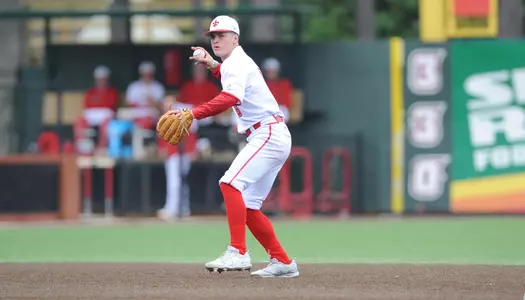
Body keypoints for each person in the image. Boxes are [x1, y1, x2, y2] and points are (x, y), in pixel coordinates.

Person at [171, 15, 299, 278]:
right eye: (213, 37)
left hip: (267, 133)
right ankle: (283, 262)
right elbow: (231, 79)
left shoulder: (236, 63)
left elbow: (230, 97)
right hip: (271, 133)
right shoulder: (234, 63)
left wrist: (193, 114)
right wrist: (211, 65)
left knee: (229, 184)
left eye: (222, 35)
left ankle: (238, 251)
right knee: (249, 206)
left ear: (235, 38)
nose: (216, 40)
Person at [157, 94, 197, 221]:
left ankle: (173, 209)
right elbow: (162, 138)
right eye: (165, 103)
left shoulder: (182, 116)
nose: (167, 106)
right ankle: (181, 208)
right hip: (171, 154)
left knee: (177, 182)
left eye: (170, 103)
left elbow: (191, 134)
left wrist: (192, 150)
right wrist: (162, 149)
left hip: (182, 154)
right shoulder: (164, 118)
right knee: (177, 182)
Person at [261, 57, 294, 123]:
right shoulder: (260, 83)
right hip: (263, 109)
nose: (271, 74)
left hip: (279, 108)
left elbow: (286, 102)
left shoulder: (284, 83)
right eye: (269, 71)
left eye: (274, 71)